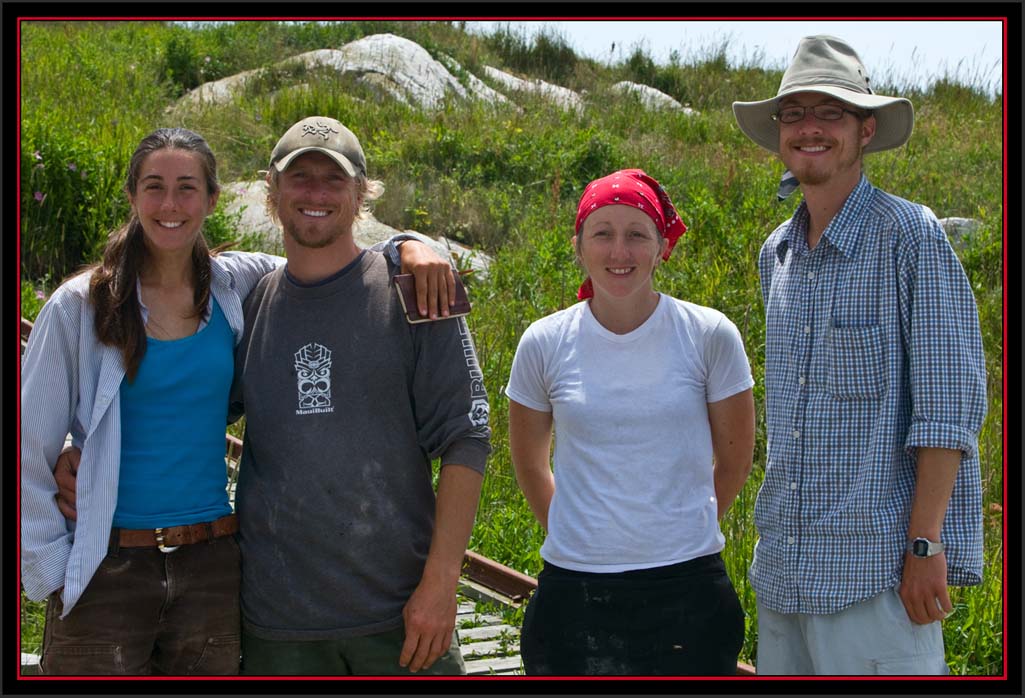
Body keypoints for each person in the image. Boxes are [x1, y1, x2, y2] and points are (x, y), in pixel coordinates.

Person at [21, 126, 453, 675]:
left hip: (210, 569)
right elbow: (27, 446)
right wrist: (52, 570)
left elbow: (328, 259)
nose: (170, 205)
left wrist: (409, 245)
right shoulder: (79, 307)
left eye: (187, 188)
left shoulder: (235, 286)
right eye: (154, 187)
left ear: (212, 199)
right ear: (131, 196)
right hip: (105, 567)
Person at [731, 35, 987, 675]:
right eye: (795, 114)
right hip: (784, 573)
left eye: (831, 113)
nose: (809, 129)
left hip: (874, 578)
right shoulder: (777, 255)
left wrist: (926, 544)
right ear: (779, 132)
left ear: (865, 130)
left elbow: (946, 409)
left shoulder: (912, 238)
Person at [225, 116, 491, 676]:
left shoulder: (417, 291)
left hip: (400, 622)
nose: (315, 193)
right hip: (278, 627)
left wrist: (442, 586)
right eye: (300, 178)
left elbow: (467, 438)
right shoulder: (248, 308)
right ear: (271, 191)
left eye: (334, 179)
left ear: (362, 193)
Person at [506, 169, 756, 675]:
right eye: (603, 233)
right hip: (574, 589)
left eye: (637, 234)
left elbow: (734, 462)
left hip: (688, 591)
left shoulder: (710, 335)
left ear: (662, 246)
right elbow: (530, 464)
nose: (619, 252)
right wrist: (583, 533)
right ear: (579, 245)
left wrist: (676, 528)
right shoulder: (544, 342)